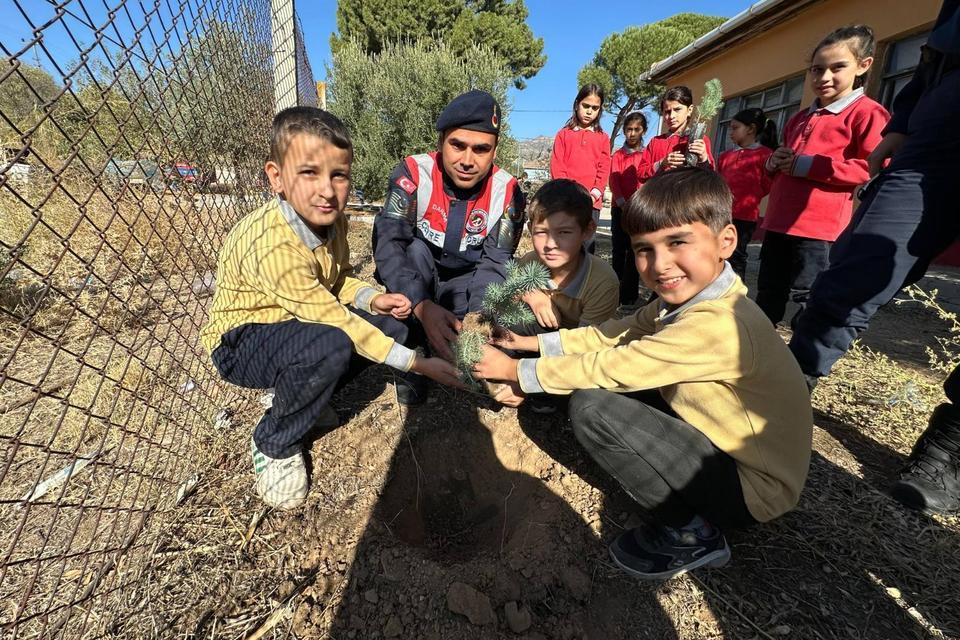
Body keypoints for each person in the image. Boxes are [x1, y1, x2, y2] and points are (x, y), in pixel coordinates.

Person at [473, 167, 812, 580]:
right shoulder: (683, 301)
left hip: (753, 486)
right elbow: (616, 334)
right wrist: (534, 345)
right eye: (644, 249)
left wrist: (517, 370)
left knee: (593, 407)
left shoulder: (721, 324)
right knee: (604, 392)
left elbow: (616, 366)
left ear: (726, 241)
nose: (660, 264)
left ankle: (692, 534)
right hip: (719, 440)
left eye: (677, 243)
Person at [200, 107, 462, 510]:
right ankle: (274, 440)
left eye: (338, 175)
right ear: (276, 176)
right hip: (242, 339)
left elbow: (335, 281)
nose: (327, 189)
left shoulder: (331, 220)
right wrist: (417, 365)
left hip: (300, 325)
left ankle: (305, 399)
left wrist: (372, 299)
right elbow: (334, 318)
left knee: (391, 324)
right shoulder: (273, 243)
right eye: (309, 173)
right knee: (331, 344)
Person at [790, 1, 960, 515]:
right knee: (855, 270)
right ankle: (786, 385)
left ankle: (952, 447)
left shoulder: (858, 110)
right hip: (937, 139)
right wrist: (907, 118)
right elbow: (938, 46)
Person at [373, 90, 526, 403]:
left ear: (495, 151)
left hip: (465, 281)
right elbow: (389, 241)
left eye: (481, 149)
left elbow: (496, 261)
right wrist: (419, 304)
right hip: (419, 272)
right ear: (441, 140)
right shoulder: (413, 173)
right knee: (412, 254)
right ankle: (412, 355)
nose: (467, 161)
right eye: (458, 145)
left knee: (486, 329)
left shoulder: (508, 192)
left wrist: (478, 316)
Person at [755, 25, 889, 325]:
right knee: (768, 293)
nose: (824, 77)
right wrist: (774, 162)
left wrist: (808, 166)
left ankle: (802, 365)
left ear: (863, 66)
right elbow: (784, 169)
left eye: (837, 67)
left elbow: (873, 166)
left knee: (810, 296)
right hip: (778, 221)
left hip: (818, 230)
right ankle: (758, 354)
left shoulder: (867, 113)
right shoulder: (800, 117)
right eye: (816, 70)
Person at [516, 179, 619, 334]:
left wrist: (520, 347)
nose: (550, 244)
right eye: (541, 232)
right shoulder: (528, 263)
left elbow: (586, 345)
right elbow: (508, 292)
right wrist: (533, 296)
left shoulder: (602, 282)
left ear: (587, 231)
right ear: (530, 229)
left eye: (564, 232)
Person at [716, 108, 778, 282]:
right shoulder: (725, 156)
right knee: (716, 254)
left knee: (736, 255)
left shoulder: (765, 155)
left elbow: (768, 184)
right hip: (721, 213)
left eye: (735, 128)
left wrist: (752, 194)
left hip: (745, 217)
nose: (730, 133)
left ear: (750, 129)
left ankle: (735, 298)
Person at [549, 83, 611, 252]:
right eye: (586, 106)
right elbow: (557, 165)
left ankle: (586, 278)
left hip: (591, 204)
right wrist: (569, 193)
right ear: (577, 105)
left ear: (600, 110)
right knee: (564, 245)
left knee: (586, 246)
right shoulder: (563, 135)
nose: (589, 111)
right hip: (565, 201)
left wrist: (594, 194)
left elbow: (604, 168)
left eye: (595, 108)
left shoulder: (603, 138)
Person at [609, 111, 648, 310]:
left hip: (639, 210)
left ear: (643, 131)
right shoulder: (618, 155)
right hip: (620, 209)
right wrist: (622, 202)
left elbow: (645, 179)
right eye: (628, 129)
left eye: (636, 129)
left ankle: (629, 295)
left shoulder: (646, 155)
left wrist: (638, 203)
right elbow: (614, 180)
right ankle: (613, 291)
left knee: (635, 252)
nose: (632, 133)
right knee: (618, 251)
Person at [637, 86, 714, 182]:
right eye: (667, 112)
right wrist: (661, 164)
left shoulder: (700, 140)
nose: (672, 116)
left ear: (689, 110)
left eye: (677, 110)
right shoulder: (656, 142)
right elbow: (640, 174)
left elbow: (710, 178)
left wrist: (703, 158)